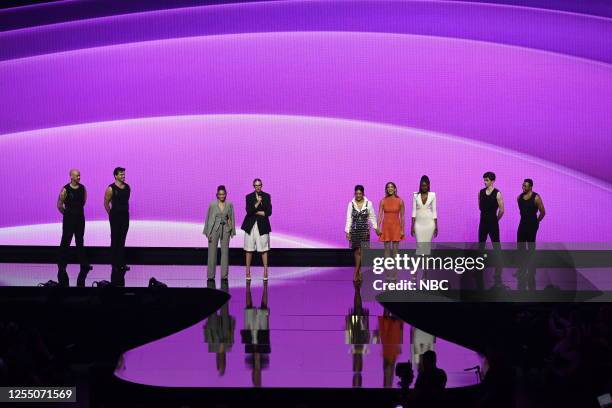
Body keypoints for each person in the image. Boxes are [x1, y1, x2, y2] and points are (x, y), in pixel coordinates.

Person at [56, 169, 92, 287]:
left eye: (80, 175)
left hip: (80, 218)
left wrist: (76, 213)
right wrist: (68, 214)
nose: (79, 177)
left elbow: (84, 201)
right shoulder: (65, 189)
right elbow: (59, 205)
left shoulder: (83, 188)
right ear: (71, 177)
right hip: (69, 219)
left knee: (80, 241)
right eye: (77, 176)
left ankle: (84, 264)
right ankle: (61, 265)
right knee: (66, 241)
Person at [516, 179, 545, 290]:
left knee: (531, 248)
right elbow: (522, 212)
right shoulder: (519, 198)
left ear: (531, 187)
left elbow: (543, 212)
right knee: (520, 248)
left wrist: (536, 222)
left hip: (532, 225)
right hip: (522, 224)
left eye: (526, 186)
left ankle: (531, 271)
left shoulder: (536, 197)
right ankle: (521, 270)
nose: (523, 187)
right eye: (522, 185)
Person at [345, 185, 378, 282]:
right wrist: (347, 231)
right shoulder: (351, 204)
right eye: (356, 193)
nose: (358, 195)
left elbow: (372, 217)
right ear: (354, 194)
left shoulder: (368, 203)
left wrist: (376, 228)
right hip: (354, 231)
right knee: (357, 251)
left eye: (360, 193)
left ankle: (358, 271)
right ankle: (358, 271)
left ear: (363, 193)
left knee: (362, 251)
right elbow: (349, 218)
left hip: (364, 231)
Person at [104, 167, 131, 286]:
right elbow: (106, 203)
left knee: (122, 240)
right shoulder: (110, 188)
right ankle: (114, 263)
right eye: (121, 174)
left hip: (125, 216)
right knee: (115, 239)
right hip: (115, 216)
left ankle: (121, 263)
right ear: (115, 176)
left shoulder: (128, 187)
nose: (123, 176)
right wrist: (111, 214)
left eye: (124, 174)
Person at [241, 179, 272, 281]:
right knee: (249, 249)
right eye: (256, 185)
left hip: (262, 226)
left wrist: (256, 212)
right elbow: (249, 211)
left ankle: (265, 270)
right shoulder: (249, 197)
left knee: (264, 249)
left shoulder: (267, 196)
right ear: (253, 186)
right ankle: (247, 271)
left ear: (261, 185)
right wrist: (258, 202)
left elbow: (268, 212)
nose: (258, 187)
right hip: (250, 226)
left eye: (259, 185)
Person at [241, 280, 270, 387]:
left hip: (252, 342)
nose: (257, 376)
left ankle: (249, 286)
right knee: (262, 307)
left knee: (250, 307)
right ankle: (264, 286)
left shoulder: (250, 362)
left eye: (256, 378)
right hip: (260, 342)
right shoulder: (264, 362)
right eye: (258, 379)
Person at [478, 171, 504, 287]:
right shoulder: (480, 192)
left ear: (493, 181)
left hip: (493, 223)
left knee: (496, 246)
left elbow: (502, 210)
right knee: (481, 246)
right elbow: (480, 206)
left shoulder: (497, 193)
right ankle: (479, 269)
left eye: (487, 180)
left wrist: (495, 220)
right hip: (483, 222)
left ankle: (499, 270)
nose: (485, 182)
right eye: (484, 179)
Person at [204, 185, 236, 280]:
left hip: (225, 229)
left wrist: (231, 229)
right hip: (214, 229)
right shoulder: (212, 204)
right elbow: (208, 219)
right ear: (217, 195)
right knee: (212, 253)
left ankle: (224, 276)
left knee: (225, 253)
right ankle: (210, 276)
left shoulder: (229, 204)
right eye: (220, 194)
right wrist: (208, 233)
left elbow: (231, 217)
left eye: (223, 194)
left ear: (226, 194)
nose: (222, 196)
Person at [411, 175, 438, 256]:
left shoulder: (433, 195)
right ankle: (419, 265)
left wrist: (436, 226)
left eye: (425, 185)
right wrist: (412, 225)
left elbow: (434, 211)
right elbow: (414, 211)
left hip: (429, 223)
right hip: (418, 223)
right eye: (422, 185)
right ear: (420, 185)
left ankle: (425, 266)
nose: (424, 187)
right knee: (419, 244)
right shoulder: (415, 195)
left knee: (426, 245)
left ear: (429, 185)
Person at [378, 182, 405, 259]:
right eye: (388, 187)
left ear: (395, 188)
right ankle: (387, 269)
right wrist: (378, 228)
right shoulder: (383, 201)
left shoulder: (400, 201)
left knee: (395, 251)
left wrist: (402, 230)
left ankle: (395, 270)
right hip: (386, 227)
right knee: (386, 250)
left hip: (396, 227)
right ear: (386, 189)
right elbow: (380, 215)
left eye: (392, 187)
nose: (390, 188)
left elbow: (402, 216)